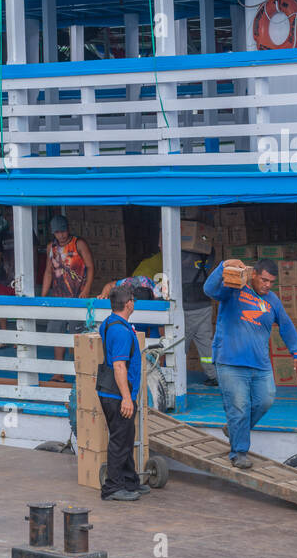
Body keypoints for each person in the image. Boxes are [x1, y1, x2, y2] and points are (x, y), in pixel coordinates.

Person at [203, 258, 297, 469]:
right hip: (230, 361)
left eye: (271, 282)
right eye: (264, 280)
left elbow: (286, 325)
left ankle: (234, 430)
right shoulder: (233, 290)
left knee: (265, 400)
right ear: (253, 275)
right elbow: (209, 289)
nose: (267, 285)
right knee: (239, 407)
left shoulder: (273, 301)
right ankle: (239, 452)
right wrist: (222, 266)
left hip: (260, 364)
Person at [105, 230, 219, 386]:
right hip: (204, 305)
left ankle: (175, 380)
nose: (160, 245)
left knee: (177, 346)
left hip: (186, 309)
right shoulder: (207, 255)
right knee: (205, 344)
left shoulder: (177, 258)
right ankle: (213, 375)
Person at [97, 285, 148, 502]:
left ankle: (129, 481)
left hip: (109, 390)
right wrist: (127, 398)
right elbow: (119, 366)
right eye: (133, 301)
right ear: (128, 304)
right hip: (118, 394)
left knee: (126, 437)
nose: (133, 304)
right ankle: (112, 487)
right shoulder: (121, 331)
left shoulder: (109, 323)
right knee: (120, 440)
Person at [41, 214, 94, 359]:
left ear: (68, 229)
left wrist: (86, 288)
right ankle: (59, 373)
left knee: (78, 335)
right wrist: (43, 296)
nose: (61, 235)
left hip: (77, 296)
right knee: (57, 334)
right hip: (58, 297)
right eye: (57, 232)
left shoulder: (78, 243)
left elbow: (90, 267)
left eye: (63, 231)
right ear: (53, 232)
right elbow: (48, 272)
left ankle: (81, 370)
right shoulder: (51, 247)